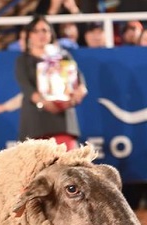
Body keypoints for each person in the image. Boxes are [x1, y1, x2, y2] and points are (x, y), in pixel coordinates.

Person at [15, 15, 88, 150]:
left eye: (45, 30)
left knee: (69, 166)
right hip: (35, 123)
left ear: (51, 34)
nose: (41, 34)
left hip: (63, 121)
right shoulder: (23, 60)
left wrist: (79, 92)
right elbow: (26, 87)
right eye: (36, 31)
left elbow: (78, 79)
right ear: (29, 35)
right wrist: (44, 102)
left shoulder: (63, 56)